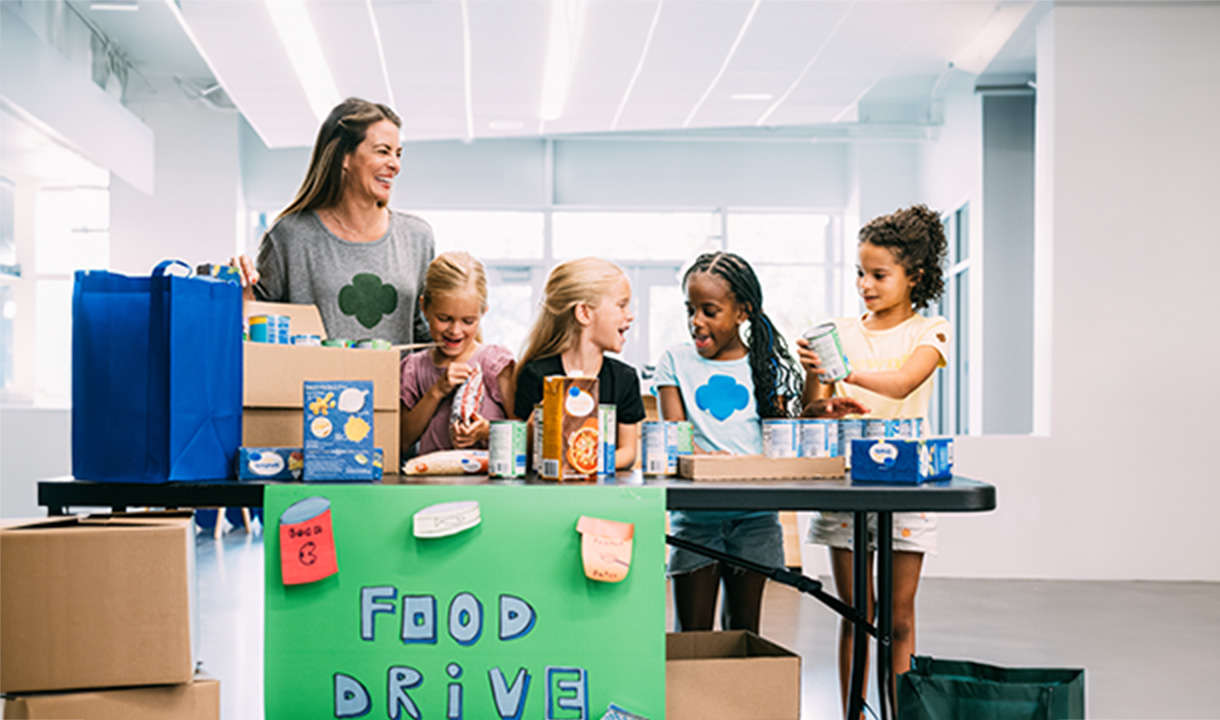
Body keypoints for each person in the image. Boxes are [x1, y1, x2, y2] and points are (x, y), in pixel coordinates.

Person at [654, 251, 865, 633]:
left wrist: (813, 415)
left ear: (742, 312)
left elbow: (780, 444)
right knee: (693, 634)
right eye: (690, 310)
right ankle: (694, 697)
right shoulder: (674, 362)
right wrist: (706, 459)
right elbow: (676, 438)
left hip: (755, 520)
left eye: (709, 311)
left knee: (744, 630)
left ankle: (739, 695)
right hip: (695, 519)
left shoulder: (764, 368)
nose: (696, 323)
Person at [798, 204, 950, 713]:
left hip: (907, 486)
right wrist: (819, 385)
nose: (866, 283)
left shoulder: (930, 331)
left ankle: (898, 711)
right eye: (861, 272)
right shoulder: (836, 330)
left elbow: (907, 381)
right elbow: (812, 412)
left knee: (899, 616)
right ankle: (851, 713)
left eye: (879, 274)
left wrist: (848, 368)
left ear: (915, 278)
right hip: (846, 484)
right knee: (856, 612)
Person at [232, 97, 433, 345]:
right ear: (344, 157)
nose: (395, 165)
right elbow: (259, 334)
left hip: (396, 384)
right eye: (383, 151)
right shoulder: (291, 236)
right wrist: (239, 290)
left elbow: (426, 333)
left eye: (398, 154)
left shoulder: (416, 238)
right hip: (310, 383)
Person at [513, 257, 644, 470]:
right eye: (621, 305)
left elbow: (628, 452)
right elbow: (521, 452)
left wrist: (583, 463)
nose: (630, 316)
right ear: (584, 313)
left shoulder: (625, 379)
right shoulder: (536, 374)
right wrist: (540, 418)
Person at [400, 252, 515, 454]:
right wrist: (437, 391)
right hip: (429, 484)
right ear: (424, 308)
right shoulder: (414, 368)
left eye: (468, 321)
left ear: (483, 313)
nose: (455, 330)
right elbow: (401, 441)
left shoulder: (495, 363)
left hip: (488, 484)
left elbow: (524, 431)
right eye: (444, 318)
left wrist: (487, 431)